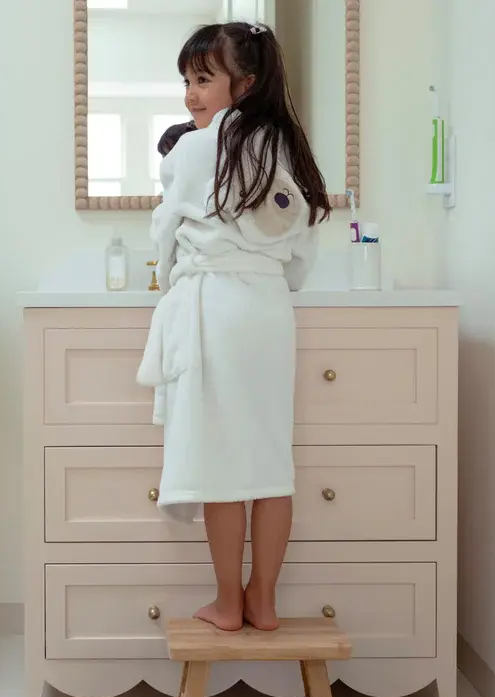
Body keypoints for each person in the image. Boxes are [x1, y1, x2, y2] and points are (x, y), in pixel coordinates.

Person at [137, 21, 330, 632]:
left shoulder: (194, 150)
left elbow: (165, 237)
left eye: (203, 79)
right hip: (269, 312)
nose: (191, 94)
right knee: (272, 464)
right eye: (186, 81)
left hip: (215, 310)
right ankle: (263, 601)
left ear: (244, 84)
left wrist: (172, 274)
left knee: (221, 465)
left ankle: (227, 603)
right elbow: (300, 260)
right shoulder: (288, 150)